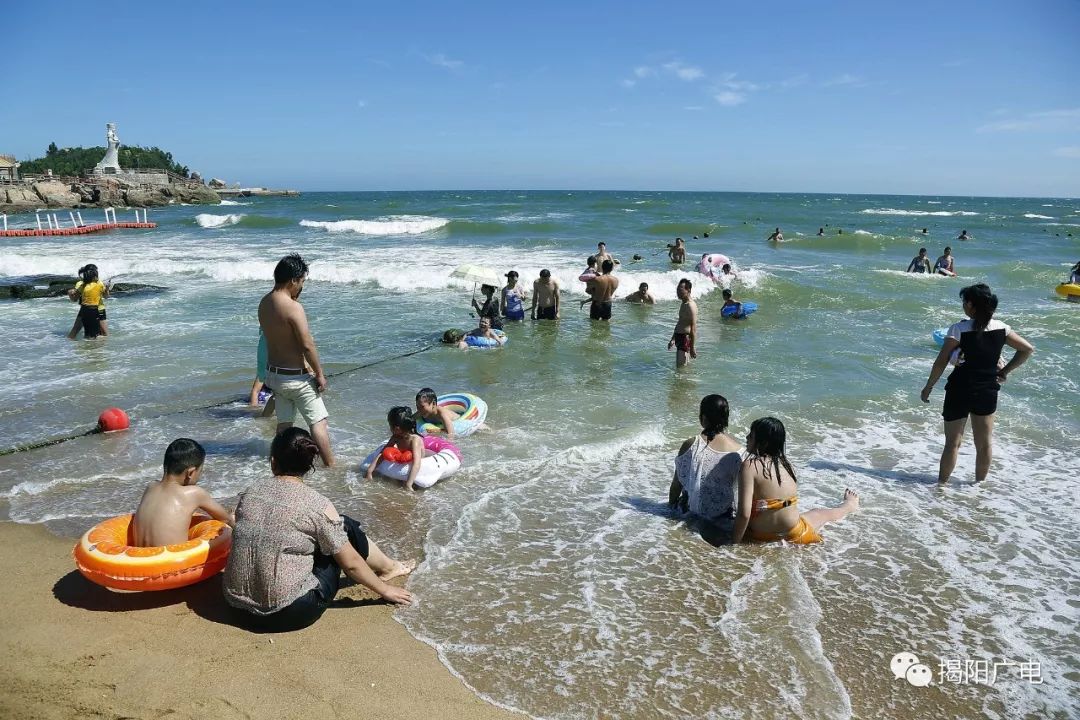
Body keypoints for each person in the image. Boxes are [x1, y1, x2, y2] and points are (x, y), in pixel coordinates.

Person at [224, 428, 413, 631]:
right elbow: (351, 565)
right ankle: (389, 568)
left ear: (272, 461)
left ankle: (388, 566)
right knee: (344, 525)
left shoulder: (250, 493)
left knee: (308, 535)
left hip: (236, 607)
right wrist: (384, 591)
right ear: (309, 465)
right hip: (288, 613)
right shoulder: (316, 504)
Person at [921, 284, 1034, 484]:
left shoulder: (959, 328)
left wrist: (929, 386)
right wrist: (1004, 371)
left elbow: (941, 361)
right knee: (984, 444)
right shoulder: (1002, 328)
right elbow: (1026, 349)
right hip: (987, 390)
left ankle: (941, 488)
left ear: (972, 306)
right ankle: (978, 488)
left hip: (959, 390)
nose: (963, 306)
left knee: (952, 445)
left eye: (965, 302)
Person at [258, 253, 334, 467]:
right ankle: (331, 468)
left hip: (274, 375)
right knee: (319, 423)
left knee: (283, 425)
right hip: (297, 379)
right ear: (293, 280)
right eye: (301, 282)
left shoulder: (264, 303)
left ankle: (275, 462)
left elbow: (278, 337)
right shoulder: (293, 307)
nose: (301, 286)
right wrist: (319, 374)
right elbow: (307, 345)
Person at [733, 417, 859, 544]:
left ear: (763, 443)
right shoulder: (788, 465)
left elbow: (744, 514)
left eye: (751, 435)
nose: (747, 437)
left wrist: (734, 544)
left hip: (761, 536)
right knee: (820, 513)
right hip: (795, 533)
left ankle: (849, 505)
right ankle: (849, 505)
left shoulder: (749, 466)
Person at [131, 438, 235, 547]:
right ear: (190, 473)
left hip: (140, 560)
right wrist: (233, 520)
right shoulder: (194, 493)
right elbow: (225, 519)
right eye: (200, 471)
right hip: (173, 562)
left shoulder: (150, 487)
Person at [669, 394, 743, 539]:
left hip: (691, 514)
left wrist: (670, 511)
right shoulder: (739, 452)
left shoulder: (691, 444)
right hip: (723, 519)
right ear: (726, 419)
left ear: (703, 418)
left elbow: (676, 484)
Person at [365, 407, 430, 491]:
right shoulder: (395, 437)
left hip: (418, 464)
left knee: (411, 486)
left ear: (397, 428)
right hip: (403, 458)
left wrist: (408, 484)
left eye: (390, 425)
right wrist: (370, 471)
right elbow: (383, 453)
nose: (389, 428)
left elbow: (417, 463)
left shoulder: (414, 440)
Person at [67, 264, 109, 340]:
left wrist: (107, 289)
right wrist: (70, 293)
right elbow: (74, 299)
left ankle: (100, 351)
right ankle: (68, 348)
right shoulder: (80, 284)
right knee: (75, 331)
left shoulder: (99, 283)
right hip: (85, 309)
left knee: (104, 334)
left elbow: (106, 296)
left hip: (99, 309)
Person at [668, 278, 697, 368]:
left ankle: (684, 382)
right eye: (677, 290)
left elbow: (693, 328)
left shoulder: (690, 306)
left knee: (681, 368)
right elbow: (680, 322)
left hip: (685, 338)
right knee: (683, 366)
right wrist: (673, 339)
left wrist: (692, 347)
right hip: (679, 337)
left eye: (680, 290)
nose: (678, 292)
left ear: (688, 290)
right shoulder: (683, 303)